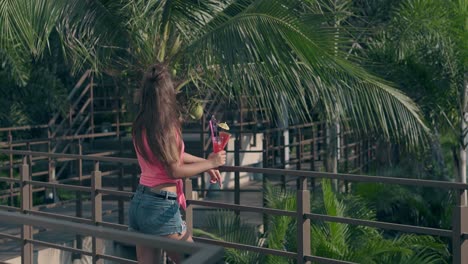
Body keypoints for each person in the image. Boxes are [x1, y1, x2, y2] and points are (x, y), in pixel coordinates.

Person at [128, 64, 226, 263]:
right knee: (200, 259)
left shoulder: (141, 124)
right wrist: (211, 163)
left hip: (140, 202)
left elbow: (173, 156)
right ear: (168, 93)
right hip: (159, 207)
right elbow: (174, 170)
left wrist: (206, 163)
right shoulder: (166, 127)